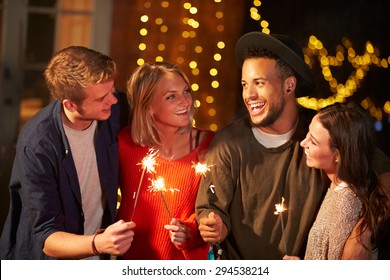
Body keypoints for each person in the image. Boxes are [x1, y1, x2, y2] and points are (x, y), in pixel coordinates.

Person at [195, 31, 390, 259]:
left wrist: (363, 233)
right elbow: (210, 209)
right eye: (245, 84)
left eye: (259, 83)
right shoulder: (227, 143)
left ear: (289, 86)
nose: (249, 94)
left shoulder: (324, 130)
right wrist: (214, 226)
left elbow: (386, 176)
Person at [0, 46, 135, 259]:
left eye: (112, 90)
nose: (114, 100)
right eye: (101, 98)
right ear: (70, 105)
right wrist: (98, 243)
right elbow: (48, 238)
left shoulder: (114, 110)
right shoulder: (38, 145)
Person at [116, 62, 214, 260]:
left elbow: (216, 208)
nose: (186, 102)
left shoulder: (210, 145)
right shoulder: (124, 144)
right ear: (148, 106)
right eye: (171, 96)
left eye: (186, 92)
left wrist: (190, 230)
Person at [284, 102, 388, 259]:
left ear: (339, 155)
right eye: (308, 134)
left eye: (313, 141)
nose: (303, 143)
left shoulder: (345, 204)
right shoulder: (335, 186)